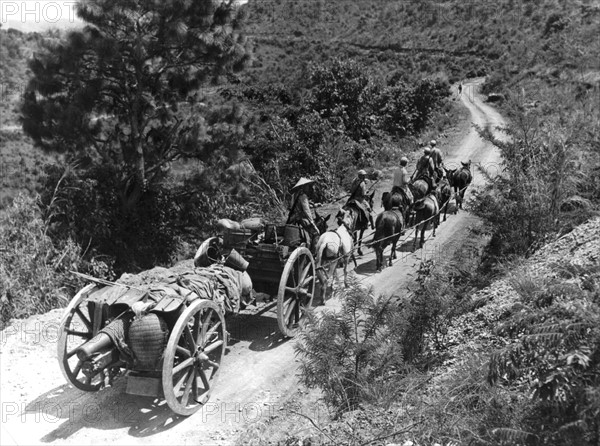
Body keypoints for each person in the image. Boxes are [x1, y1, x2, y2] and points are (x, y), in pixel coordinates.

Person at [287, 177, 320, 251]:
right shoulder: (303, 196)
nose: (308, 188)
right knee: (316, 233)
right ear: (303, 186)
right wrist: (313, 223)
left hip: (292, 219)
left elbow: (293, 206)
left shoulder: (294, 195)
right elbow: (306, 211)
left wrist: (314, 205)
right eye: (307, 186)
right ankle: (313, 253)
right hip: (301, 220)